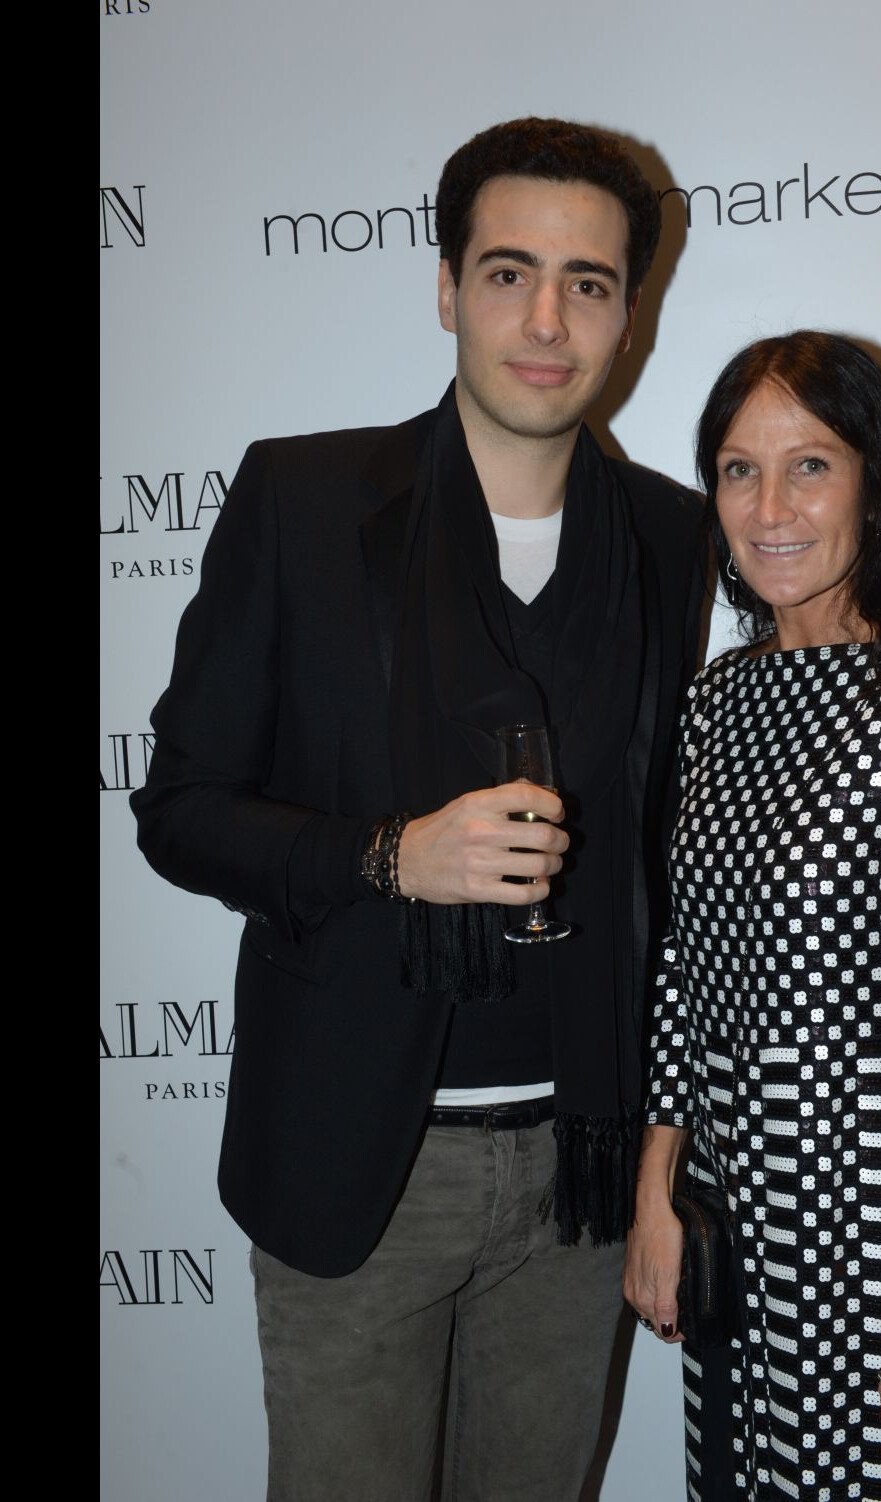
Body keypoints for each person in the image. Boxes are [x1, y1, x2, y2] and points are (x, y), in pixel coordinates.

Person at [130, 116, 706, 1502]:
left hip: (580, 1168)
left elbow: (659, 852)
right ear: (447, 290)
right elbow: (182, 808)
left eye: (590, 282)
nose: (548, 319)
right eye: (509, 274)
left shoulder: (674, 539)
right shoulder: (305, 499)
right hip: (358, 1166)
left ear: (631, 312)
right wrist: (394, 856)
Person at [623, 331, 881, 1501]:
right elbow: (686, 968)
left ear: (876, 479)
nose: (769, 507)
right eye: (736, 468)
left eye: (809, 465)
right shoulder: (720, 697)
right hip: (737, 1215)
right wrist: (656, 1188)